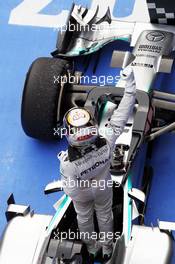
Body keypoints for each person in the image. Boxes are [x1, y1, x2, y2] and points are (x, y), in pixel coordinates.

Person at [58, 66, 136, 263]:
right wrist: (130, 87)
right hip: (103, 187)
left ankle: (92, 249)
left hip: (82, 193)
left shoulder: (67, 164)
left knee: (83, 219)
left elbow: (70, 191)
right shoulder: (108, 140)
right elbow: (121, 116)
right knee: (105, 215)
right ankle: (108, 250)